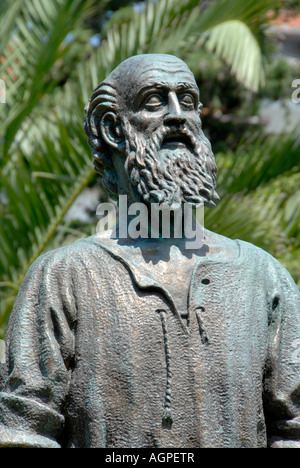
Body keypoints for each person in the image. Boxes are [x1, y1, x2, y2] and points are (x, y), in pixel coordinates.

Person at [0, 54, 299, 448]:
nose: (178, 116)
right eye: (155, 101)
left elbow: (293, 429)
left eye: (189, 101)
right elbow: (24, 431)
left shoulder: (264, 276)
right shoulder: (64, 275)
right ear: (113, 129)